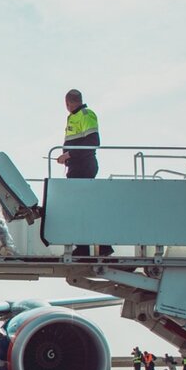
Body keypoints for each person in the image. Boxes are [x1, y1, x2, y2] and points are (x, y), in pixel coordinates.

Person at [57, 89, 110, 257]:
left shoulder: (85, 114)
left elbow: (93, 142)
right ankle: (86, 247)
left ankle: (97, 247)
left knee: (83, 208)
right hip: (76, 166)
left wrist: (69, 155)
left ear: (69, 103)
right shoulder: (74, 116)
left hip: (84, 166)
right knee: (81, 208)